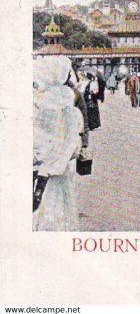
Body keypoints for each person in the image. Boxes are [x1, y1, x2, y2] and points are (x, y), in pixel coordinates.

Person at [33, 56, 83, 231]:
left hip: (37, 167)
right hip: (57, 170)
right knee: (57, 210)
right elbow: (73, 144)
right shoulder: (67, 104)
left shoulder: (36, 101)